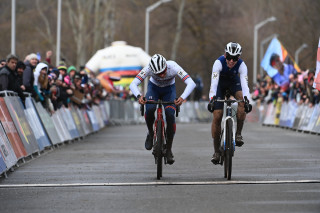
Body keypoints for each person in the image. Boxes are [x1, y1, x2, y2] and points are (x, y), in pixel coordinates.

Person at [130, 54, 196, 164]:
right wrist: (138, 96)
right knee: (150, 109)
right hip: (153, 89)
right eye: (158, 73)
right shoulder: (148, 68)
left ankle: (169, 149)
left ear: (166, 65)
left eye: (163, 71)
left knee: (170, 114)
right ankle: (151, 133)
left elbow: (191, 83)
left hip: (169, 90)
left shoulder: (173, 66)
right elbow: (133, 84)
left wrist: (182, 97)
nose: (162, 75)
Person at [207, 42, 252, 165]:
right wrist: (212, 99)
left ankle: (238, 134)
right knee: (217, 115)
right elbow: (214, 83)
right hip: (220, 86)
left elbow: (245, 85)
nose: (231, 61)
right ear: (225, 54)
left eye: (235, 58)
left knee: (242, 101)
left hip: (233, 83)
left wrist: (247, 99)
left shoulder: (242, 66)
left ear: (239, 57)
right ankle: (216, 151)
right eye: (229, 57)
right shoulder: (218, 63)